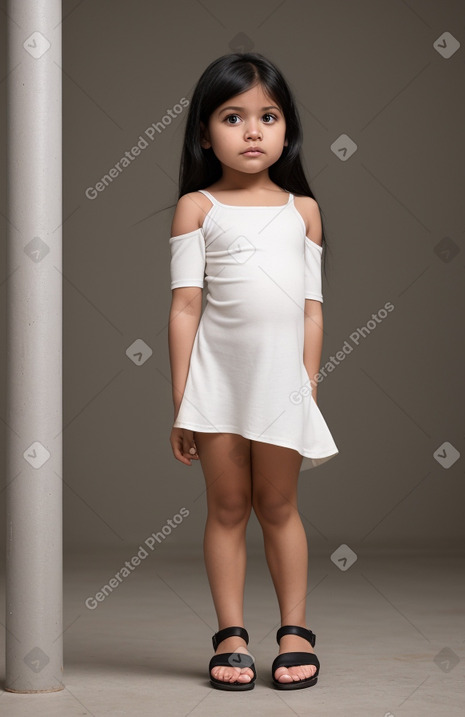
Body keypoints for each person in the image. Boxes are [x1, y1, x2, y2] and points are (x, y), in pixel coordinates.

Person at [168, 52, 339, 691]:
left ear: (287, 130)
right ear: (204, 131)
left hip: (282, 382)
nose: (252, 132)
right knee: (228, 504)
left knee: (279, 503)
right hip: (217, 380)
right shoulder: (198, 208)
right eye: (233, 117)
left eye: (268, 117)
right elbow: (186, 307)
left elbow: (312, 311)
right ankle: (231, 633)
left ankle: (295, 630)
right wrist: (183, 397)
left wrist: (308, 383)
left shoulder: (303, 212)